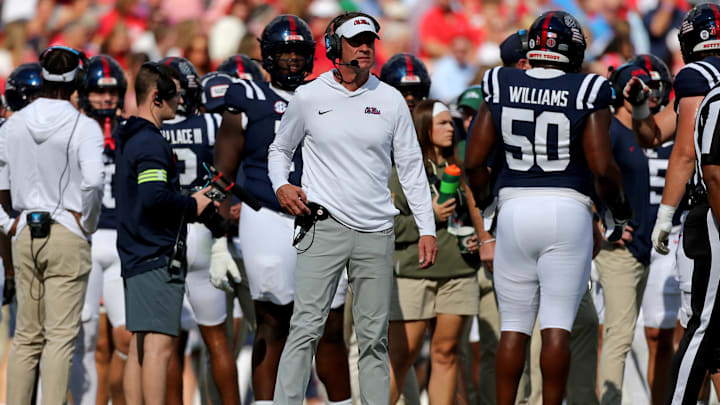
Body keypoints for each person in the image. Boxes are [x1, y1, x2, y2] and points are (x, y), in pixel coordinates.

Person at [267, 12, 437, 405]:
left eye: (369, 41)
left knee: (374, 338)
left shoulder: (390, 98)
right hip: (321, 227)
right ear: (333, 46)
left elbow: (410, 167)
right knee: (305, 329)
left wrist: (426, 228)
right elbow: (280, 149)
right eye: (355, 40)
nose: (364, 48)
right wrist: (282, 185)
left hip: (376, 232)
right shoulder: (309, 96)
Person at [464, 11, 628, 405]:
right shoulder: (587, 88)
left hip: (515, 207)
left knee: (513, 327)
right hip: (567, 209)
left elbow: (473, 161)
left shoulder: (500, 81)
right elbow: (602, 166)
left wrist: (487, 201)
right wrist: (616, 212)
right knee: (557, 328)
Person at [214, 15, 352, 405]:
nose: (292, 59)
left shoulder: (328, 95)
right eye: (284, 52)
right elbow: (223, 175)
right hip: (267, 218)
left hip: (323, 217)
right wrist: (219, 235)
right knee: (272, 323)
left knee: (330, 325)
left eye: (298, 52)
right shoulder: (246, 99)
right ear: (267, 56)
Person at [1, 45, 105, 405]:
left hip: (26, 231)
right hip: (66, 232)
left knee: (27, 336)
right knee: (60, 338)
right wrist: (87, 224)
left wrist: (9, 224)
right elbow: (93, 182)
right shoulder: (85, 126)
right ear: (78, 79)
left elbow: (0, 181)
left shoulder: (14, 122)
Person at [115, 62, 213, 405]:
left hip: (136, 248)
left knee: (141, 344)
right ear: (157, 97)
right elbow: (153, 197)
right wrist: (192, 204)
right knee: (158, 346)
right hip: (154, 251)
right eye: (174, 96)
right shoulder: (149, 142)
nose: (179, 102)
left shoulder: (130, 134)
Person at [159, 55, 241, 405]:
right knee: (218, 340)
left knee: (169, 343)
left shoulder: (149, 128)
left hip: (165, 236)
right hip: (205, 232)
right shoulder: (210, 124)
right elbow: (226, 174)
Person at [387, 99, 480, 405]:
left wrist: (476, 237)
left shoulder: (462, 168)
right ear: (424, 127)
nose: (450, 128)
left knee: (447, 353)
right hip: (416, 272)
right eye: (441, 123)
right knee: (402, 355)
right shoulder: (403, 171)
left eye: (450, 123)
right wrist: (428, 217)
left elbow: (474, 218)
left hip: (459, 271)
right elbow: (388, 226)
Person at [659, 3, 720, 402]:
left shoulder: (698, 78)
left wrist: (665, 214)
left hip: (710, 209)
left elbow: (686, 152)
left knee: (700, 324)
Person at [592, 62, 654, 405]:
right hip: (619, 251)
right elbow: (589, 176)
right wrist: (602, 222)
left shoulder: (637, 130)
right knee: (617, 336)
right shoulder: (611, 131)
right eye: (634, 86)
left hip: (638, 250)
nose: (641, 91)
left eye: (645, 86)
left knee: (624, 335)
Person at [624, 54, 682, 405]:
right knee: (604, 332)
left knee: (662, 336)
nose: (649, 93)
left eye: (655, 86)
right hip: (624, 239)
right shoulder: (614, 123)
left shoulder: (682, 122)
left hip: (669, 238)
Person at [70, 54, 128, 405]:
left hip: (122, 241)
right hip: (86, 239)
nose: (106, 99)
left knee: (126, 339)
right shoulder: (73, 133)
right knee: (88, 339)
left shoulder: (132, 131)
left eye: (112, 92)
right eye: (98, 92)